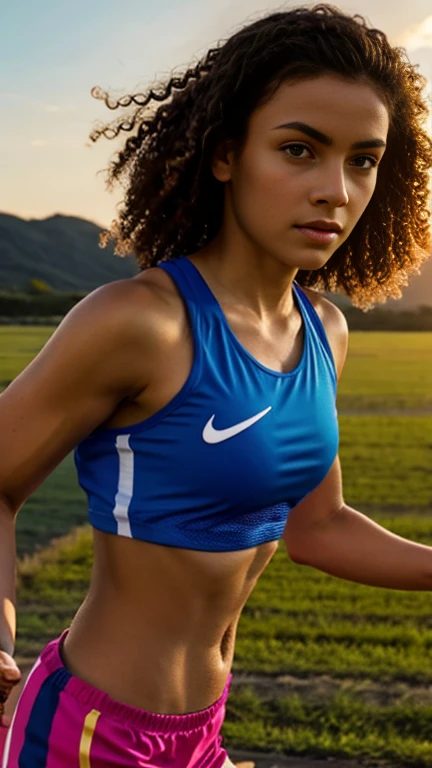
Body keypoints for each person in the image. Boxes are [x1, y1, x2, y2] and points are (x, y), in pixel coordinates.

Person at [1, 3, 431, 766]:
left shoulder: (324, 332)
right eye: (300, 149)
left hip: (200, 735)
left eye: (363, 159)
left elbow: (318, 528)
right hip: (92, 735)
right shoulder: (140, 321)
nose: (336, 188)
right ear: (226, 153)